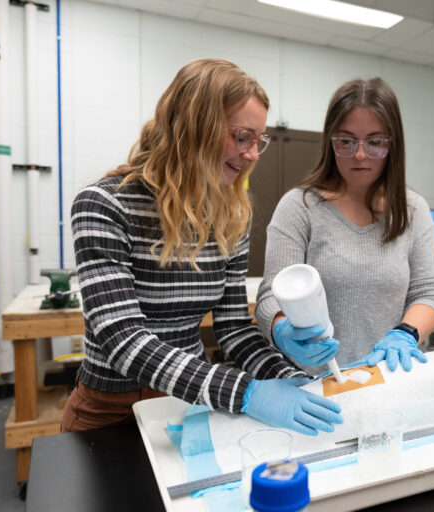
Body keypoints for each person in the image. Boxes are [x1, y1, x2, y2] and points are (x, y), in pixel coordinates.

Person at [61, 58, 342, 436]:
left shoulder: (229, 216)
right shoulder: (105, 205)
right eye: (242, 137)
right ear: (194, 127)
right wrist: (248, 393)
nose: (253, 155)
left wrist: (291, 378)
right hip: (109, 408)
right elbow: (123, 340)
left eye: (259, 141)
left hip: (187, 401)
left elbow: (233, 329)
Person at [255, 77, 434, 375]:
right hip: (312, 385)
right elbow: (269, 296)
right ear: (329, 141)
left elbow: (428, 293)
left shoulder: (413, 210)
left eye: (375, 142)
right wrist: (283, 332)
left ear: (393, 144)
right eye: (345, 141)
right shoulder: (299, 207)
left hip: (387, 379)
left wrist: (406, 333)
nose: (359, 154)